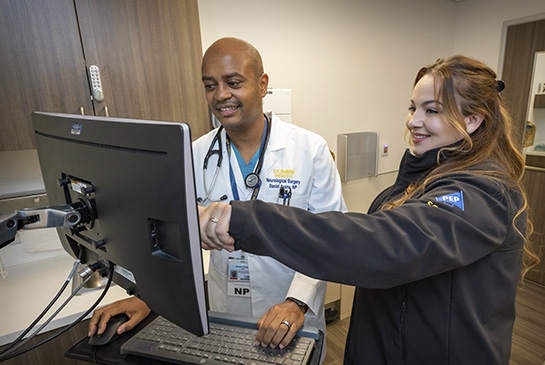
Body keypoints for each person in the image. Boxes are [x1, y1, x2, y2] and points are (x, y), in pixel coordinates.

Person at [199, 55, 540, 364]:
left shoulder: (483, 191)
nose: (413, 121)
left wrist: (243, 218)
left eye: (432, 110)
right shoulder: (414, 181)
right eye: (413, 108)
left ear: (472, 121)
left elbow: (383, 245)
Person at [88, 37, 346, 356]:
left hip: (292, 315)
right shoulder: (193, 154)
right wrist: (147, 298)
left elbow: (331, 238)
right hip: (228, 314)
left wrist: (297, 302)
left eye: (233, 82)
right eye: (210, 85)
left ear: (262, 84)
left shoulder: (309, 150)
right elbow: (171, 240)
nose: (221, 95)